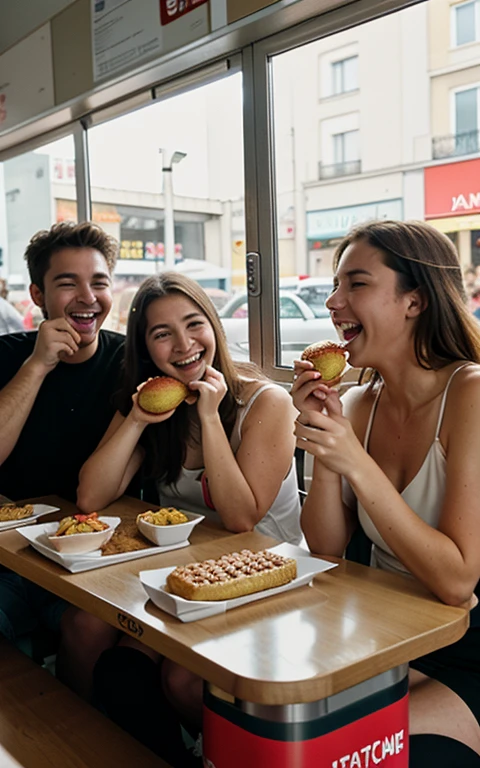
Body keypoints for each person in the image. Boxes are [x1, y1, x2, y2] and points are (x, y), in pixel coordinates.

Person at [73, 271, 302, 765]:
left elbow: (240, 518)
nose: (183, 344)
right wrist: (135, 419)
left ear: (214, 328)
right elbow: (90, 496)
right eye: (161, 334)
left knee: (180, 680)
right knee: (118, 670)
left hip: (267, 582)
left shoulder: (267, 402)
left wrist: (209, 417)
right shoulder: (155, 402)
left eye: (193, 324)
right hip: (188, 580)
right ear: (147, 348)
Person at [292, 220, 480, 766]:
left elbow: (457, 579)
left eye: (357, 284)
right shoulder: (356, 404)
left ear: (414, 301)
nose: (332, 302)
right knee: (283, 741)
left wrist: (353, 459)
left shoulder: (469, 393)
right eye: (336, 285)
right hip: (384, 631)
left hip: (465, 642)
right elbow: (325, 549)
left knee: (345, 753)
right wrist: (326, 447)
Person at [0, 221, 125, 687]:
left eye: (98, 282)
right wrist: (37, 366)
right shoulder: (9, 356)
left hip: (93, 554)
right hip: (11, 555)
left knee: (88, 628)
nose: (87, 297)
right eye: (67, 283)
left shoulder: (129, 362)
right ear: (37, 294)